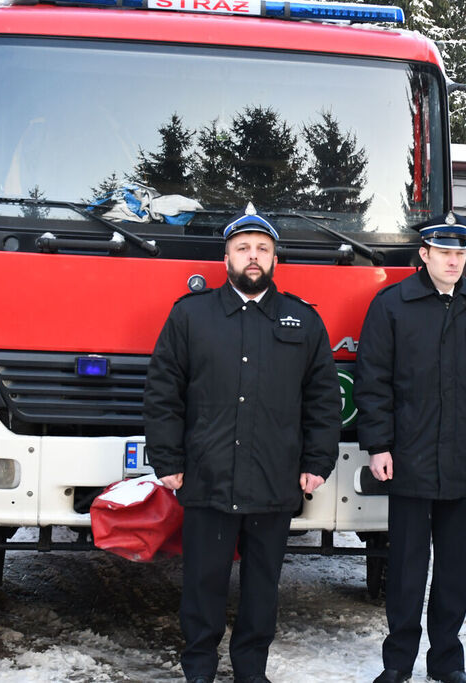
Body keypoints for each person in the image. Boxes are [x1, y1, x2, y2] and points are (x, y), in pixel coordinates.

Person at [144, 203, 341, 683]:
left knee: (262, 588)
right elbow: (163, 392)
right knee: (203, 584)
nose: (253, 257)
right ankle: (199, 670)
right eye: (243, 248)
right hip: (207, 477)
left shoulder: (303, 322)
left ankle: (251, 670)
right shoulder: (191, 317)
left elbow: (322, 399)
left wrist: (318, 461)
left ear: (275, 259)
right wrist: (167, 457)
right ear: (226, 257)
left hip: (274, 480)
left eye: (262, 249)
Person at [355, 212, 466, 683]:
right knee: (406, 570)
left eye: (460, 253)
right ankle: (397, 664)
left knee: (452, 573)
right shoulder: (393, 305)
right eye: (444, 252)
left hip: (465, 461)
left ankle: (447, 662)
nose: (453, 260)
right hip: (408, 461)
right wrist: (378, 445)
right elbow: (373, 382)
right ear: (423, 254)